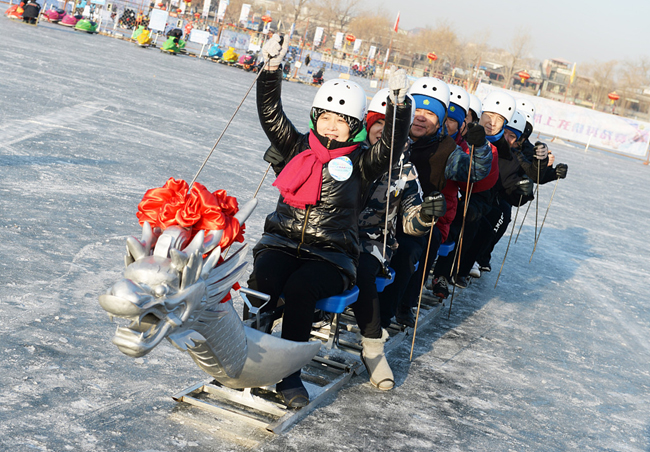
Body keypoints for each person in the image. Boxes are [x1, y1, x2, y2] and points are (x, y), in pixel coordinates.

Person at [246, 34, 412, 408]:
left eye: (342, 121)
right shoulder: (298, 146)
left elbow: (393, 145)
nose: (332, 127)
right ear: (315, 118)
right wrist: (270, 69)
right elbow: (271, 114)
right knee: (263, 282)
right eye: (326, 118)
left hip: (331, 256)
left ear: (354, 125)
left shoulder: (364, 161)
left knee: (303, 289)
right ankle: (248, 357)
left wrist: (400, 107)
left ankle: (289, 377)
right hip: (281, 241)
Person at [379, 77, 493, 328]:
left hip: (418, 221)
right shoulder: (390, 136)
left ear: (440, 121)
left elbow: (474, 171)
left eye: (430, 113)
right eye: (417, 110)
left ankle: (396, 307)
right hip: (377, 214)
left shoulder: (447, 150)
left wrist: (481, 147)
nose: (420, 117)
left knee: (412, 250)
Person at [353, 89, 445, 389]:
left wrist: (426, 216)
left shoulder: (405, 171)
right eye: (381, 123)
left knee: (363, 269)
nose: (386, 131)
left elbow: (411, 219)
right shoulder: (346, 156)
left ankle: (373, 346)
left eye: (394, 127)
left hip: (371, 243)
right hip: (330, 236)